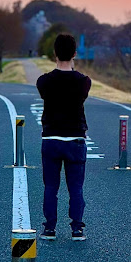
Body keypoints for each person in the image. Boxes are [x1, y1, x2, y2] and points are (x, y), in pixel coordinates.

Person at [36, 33, 91, 241]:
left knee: (51, 187)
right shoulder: (84, 82)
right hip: (75, 140)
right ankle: (77, 229)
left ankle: (49, 228)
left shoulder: (44, 81)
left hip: (51, 139)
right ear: (75, 53)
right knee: (75, 187)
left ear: (54, 54)